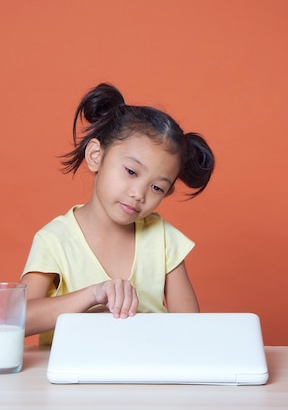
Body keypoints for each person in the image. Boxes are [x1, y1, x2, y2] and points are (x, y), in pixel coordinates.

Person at [20, 83, 214, 344]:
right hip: (75, 376)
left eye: (157, 187)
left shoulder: (163, 238)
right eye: (131, 172)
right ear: (95, 155)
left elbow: (191, 330)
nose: (139, 193)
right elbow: (18, 318)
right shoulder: (55, 240)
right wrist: (93, 294)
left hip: (148, 373)